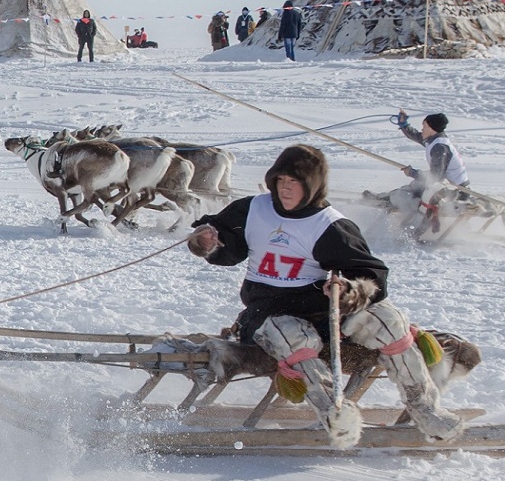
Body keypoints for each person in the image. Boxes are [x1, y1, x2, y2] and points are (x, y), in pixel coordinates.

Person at [189, 144, 465, 449]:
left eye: (294, 183)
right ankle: (336, 413)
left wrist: (350, 291)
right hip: (267, 312)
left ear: (312, 186)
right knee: (292, 336)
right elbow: (227, 247)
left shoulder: (330, 225)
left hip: (322, 310)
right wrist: (208, 241)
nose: (286, 189)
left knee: (387, 320)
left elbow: (370, 274)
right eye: (281, 181)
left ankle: (426, 409)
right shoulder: (253, 210)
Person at [391, 110, 471, 234]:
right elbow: (416, 135)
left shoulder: (440, 147)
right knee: (415, 187)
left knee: (413, 191)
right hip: (448, 187)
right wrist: (403, 124)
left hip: (456, 192)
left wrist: (412, 173)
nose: (422, 129)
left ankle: (417, 230)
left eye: (424, 126)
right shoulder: (434, 139)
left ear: (431, 128)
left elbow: (435, 177)